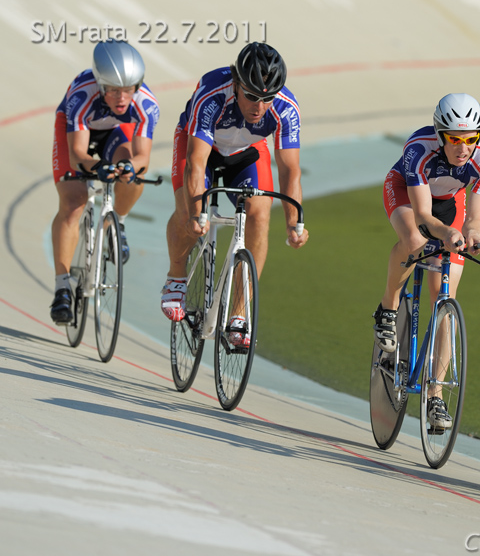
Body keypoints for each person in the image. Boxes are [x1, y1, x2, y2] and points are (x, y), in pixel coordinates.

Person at [162, 42, 308, 348]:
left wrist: (295, 224)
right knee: (188, 214)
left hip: (246, 153)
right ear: (237, 84)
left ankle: (239, 316)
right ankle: (176, 276)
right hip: (203, 148)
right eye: (252, 96)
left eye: (267, 98)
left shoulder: (285, 108)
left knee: (259, 214)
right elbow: (196, 162)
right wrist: (196, 212)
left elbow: (290, 170)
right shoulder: (213, 95)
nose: (259, 107)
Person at [372, 93, 480, 430]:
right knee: (415, 241)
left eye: (471, 139)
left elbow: (475, 219)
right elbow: (424, 216)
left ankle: (436, 396)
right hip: (408, 194)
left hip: (450, 203)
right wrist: (445, 233)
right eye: (455, 140)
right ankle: (388, 307)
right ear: (441, 135)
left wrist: (471, 236)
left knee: (444, 300)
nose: (463, 148)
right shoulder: (418, 148)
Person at [50, 39, 160, 324]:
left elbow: (142, 157)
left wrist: (127, 167)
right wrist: (98, 167)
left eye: (128, 89)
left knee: (133, 176)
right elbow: (77, 155)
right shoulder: (81, 95)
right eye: (112, 90)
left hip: (113, 131)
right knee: (74, 203)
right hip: (77, 132)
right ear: (100, 85)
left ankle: (116, 223)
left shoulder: (145, 103)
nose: (122, 98)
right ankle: (62, 285)